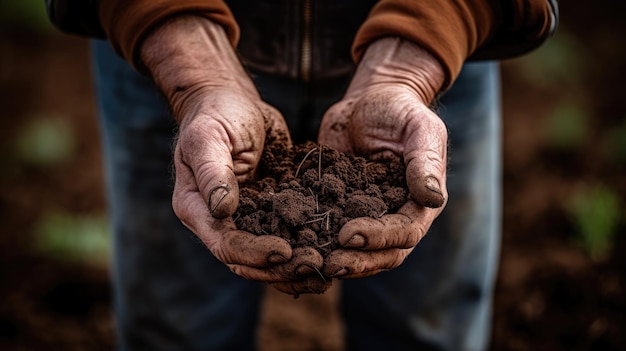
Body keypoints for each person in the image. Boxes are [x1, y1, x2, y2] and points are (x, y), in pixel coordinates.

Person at [47, 0, 558, 350]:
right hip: (167, 48)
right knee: (177, 330)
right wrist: (194, 72)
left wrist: (414, 55)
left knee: (426, 332)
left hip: (439, 46)